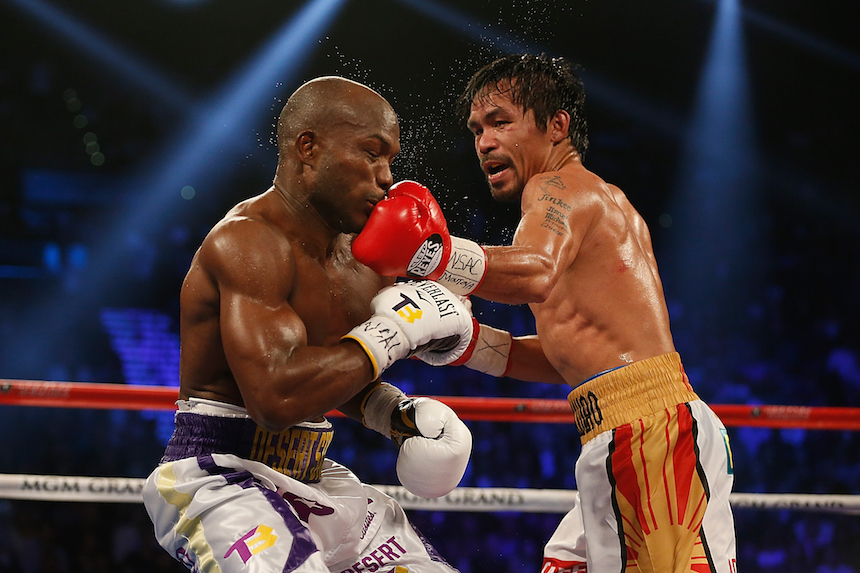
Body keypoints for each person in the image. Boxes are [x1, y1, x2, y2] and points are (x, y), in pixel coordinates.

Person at [352, 55, 737, 572]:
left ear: (556, 126)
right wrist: (468, 345)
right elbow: (569, 356)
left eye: (501, 122)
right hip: (633, 431)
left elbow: (535, 273)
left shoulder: (557, 187)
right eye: (477, 129)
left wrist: (432, 257)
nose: (484, 142)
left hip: (649, 437)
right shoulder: (596, 200)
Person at [141, 76, 476, 573]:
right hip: (220, 475)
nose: (387, 177)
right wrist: (396, 332)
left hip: (315, 476)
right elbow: (275, 398)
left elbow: (329, 370)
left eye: (390, 160)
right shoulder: (247, 243)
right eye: (371, 153)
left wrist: (393, 412)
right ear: (308, 149)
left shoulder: (362, 261)